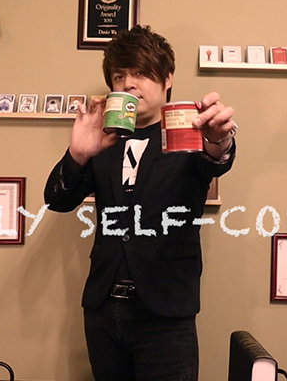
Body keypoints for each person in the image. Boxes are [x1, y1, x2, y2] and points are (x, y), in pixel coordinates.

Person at [44, 25, 237, 381]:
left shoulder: (188, 134)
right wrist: (78, 154)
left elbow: (217, 159)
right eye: (119, 76)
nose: (129, 84)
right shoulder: (103, 139)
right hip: (104, 309)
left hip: (165, 312)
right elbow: (57, 200)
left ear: (167, 78)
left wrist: (218, 141)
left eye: (141, 73)